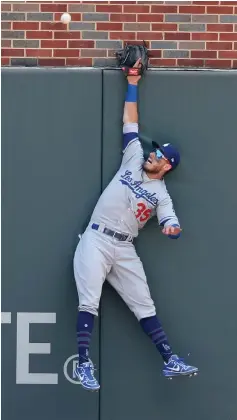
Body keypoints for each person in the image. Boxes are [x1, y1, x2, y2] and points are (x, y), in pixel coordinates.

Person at [73, 59, 198, 391]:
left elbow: (171, 221)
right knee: (89, 300)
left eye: (159, 155)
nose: (152, 155)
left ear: (167, 165)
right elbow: (130, 120)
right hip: (97, 237)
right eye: (153, 151)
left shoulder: (162, 194)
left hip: (124, 246)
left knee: (144, 303)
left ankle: (170, 360)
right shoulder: (133, 158)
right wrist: (132, 80)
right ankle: (84, 363)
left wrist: (172, 230)